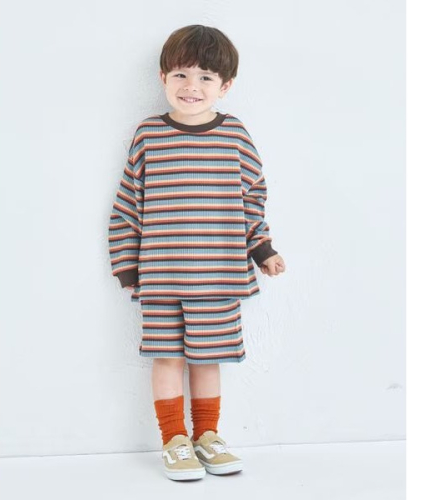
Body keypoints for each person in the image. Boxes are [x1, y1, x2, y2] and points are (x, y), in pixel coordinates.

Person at [108, 24, 286, 481]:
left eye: (206, 77)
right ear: (163, 78)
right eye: (181, 75)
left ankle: (207, 435)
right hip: (161, 278)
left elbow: (253, 197)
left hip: (218, 276)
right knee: (167, 358)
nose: (192, 86)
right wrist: (127, 267)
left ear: (225, 86)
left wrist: (263, 249)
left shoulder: (235, 136)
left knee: (208, 360)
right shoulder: (148, 135)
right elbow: (128, 204)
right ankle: (174, 440)